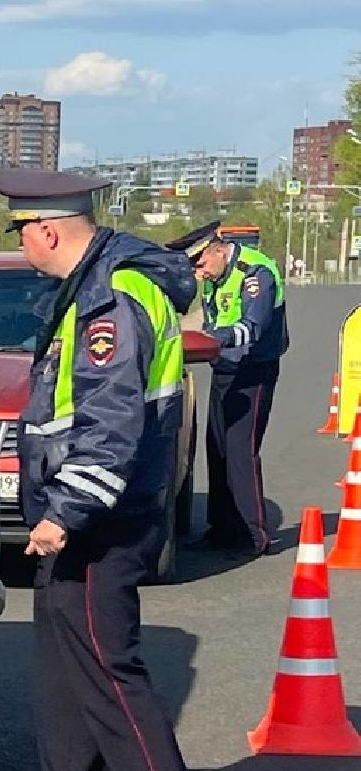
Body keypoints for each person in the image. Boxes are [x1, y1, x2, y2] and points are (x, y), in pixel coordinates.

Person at [0, 169, 210, 771]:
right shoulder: (97, 285)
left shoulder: (112, 296)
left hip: (103, 525)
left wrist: (61, 515)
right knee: (66, 684)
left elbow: (111, 425)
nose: (22, 248)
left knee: (111, 677)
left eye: (21, 234)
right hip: (93, 520)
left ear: (45, 229)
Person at [167, 220, 288, 557]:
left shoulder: (256, 273)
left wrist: (209, 340)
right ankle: (221, 529)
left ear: (217, 248)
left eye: (202, 264)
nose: (201, 273)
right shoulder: (214, 276)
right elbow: (207, 319)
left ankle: (254, 534)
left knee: (240, 452)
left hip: (253, 370)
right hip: (224, 368)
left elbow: (252, 330)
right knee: (216, 448)